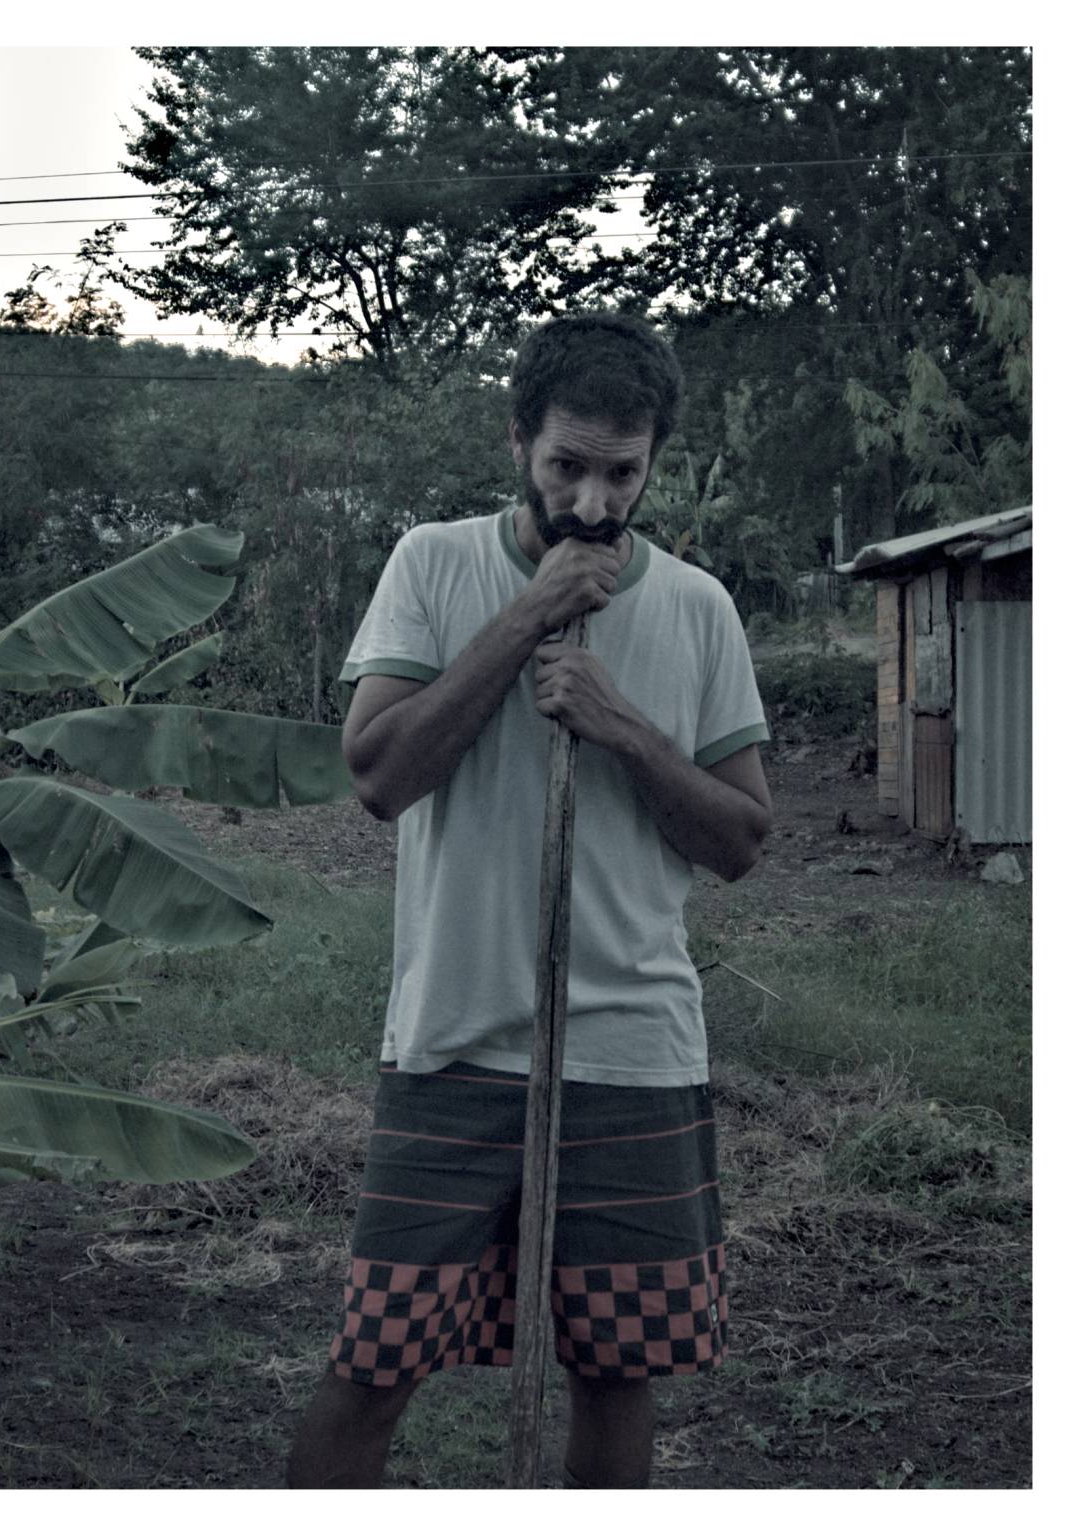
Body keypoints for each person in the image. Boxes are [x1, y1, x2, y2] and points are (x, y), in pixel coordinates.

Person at [285, 312, 773, 1489]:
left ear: (654, 460)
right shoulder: (435, 563)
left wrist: (623, 728)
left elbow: (743, 838)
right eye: (568, 467)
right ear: (519, 444)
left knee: (618, 1369)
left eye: (623, 473)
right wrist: (525, 619)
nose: (595, 503)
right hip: (456, 1040)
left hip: (632, 1051)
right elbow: (379, 776)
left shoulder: (698, 607)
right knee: (375, 1359)